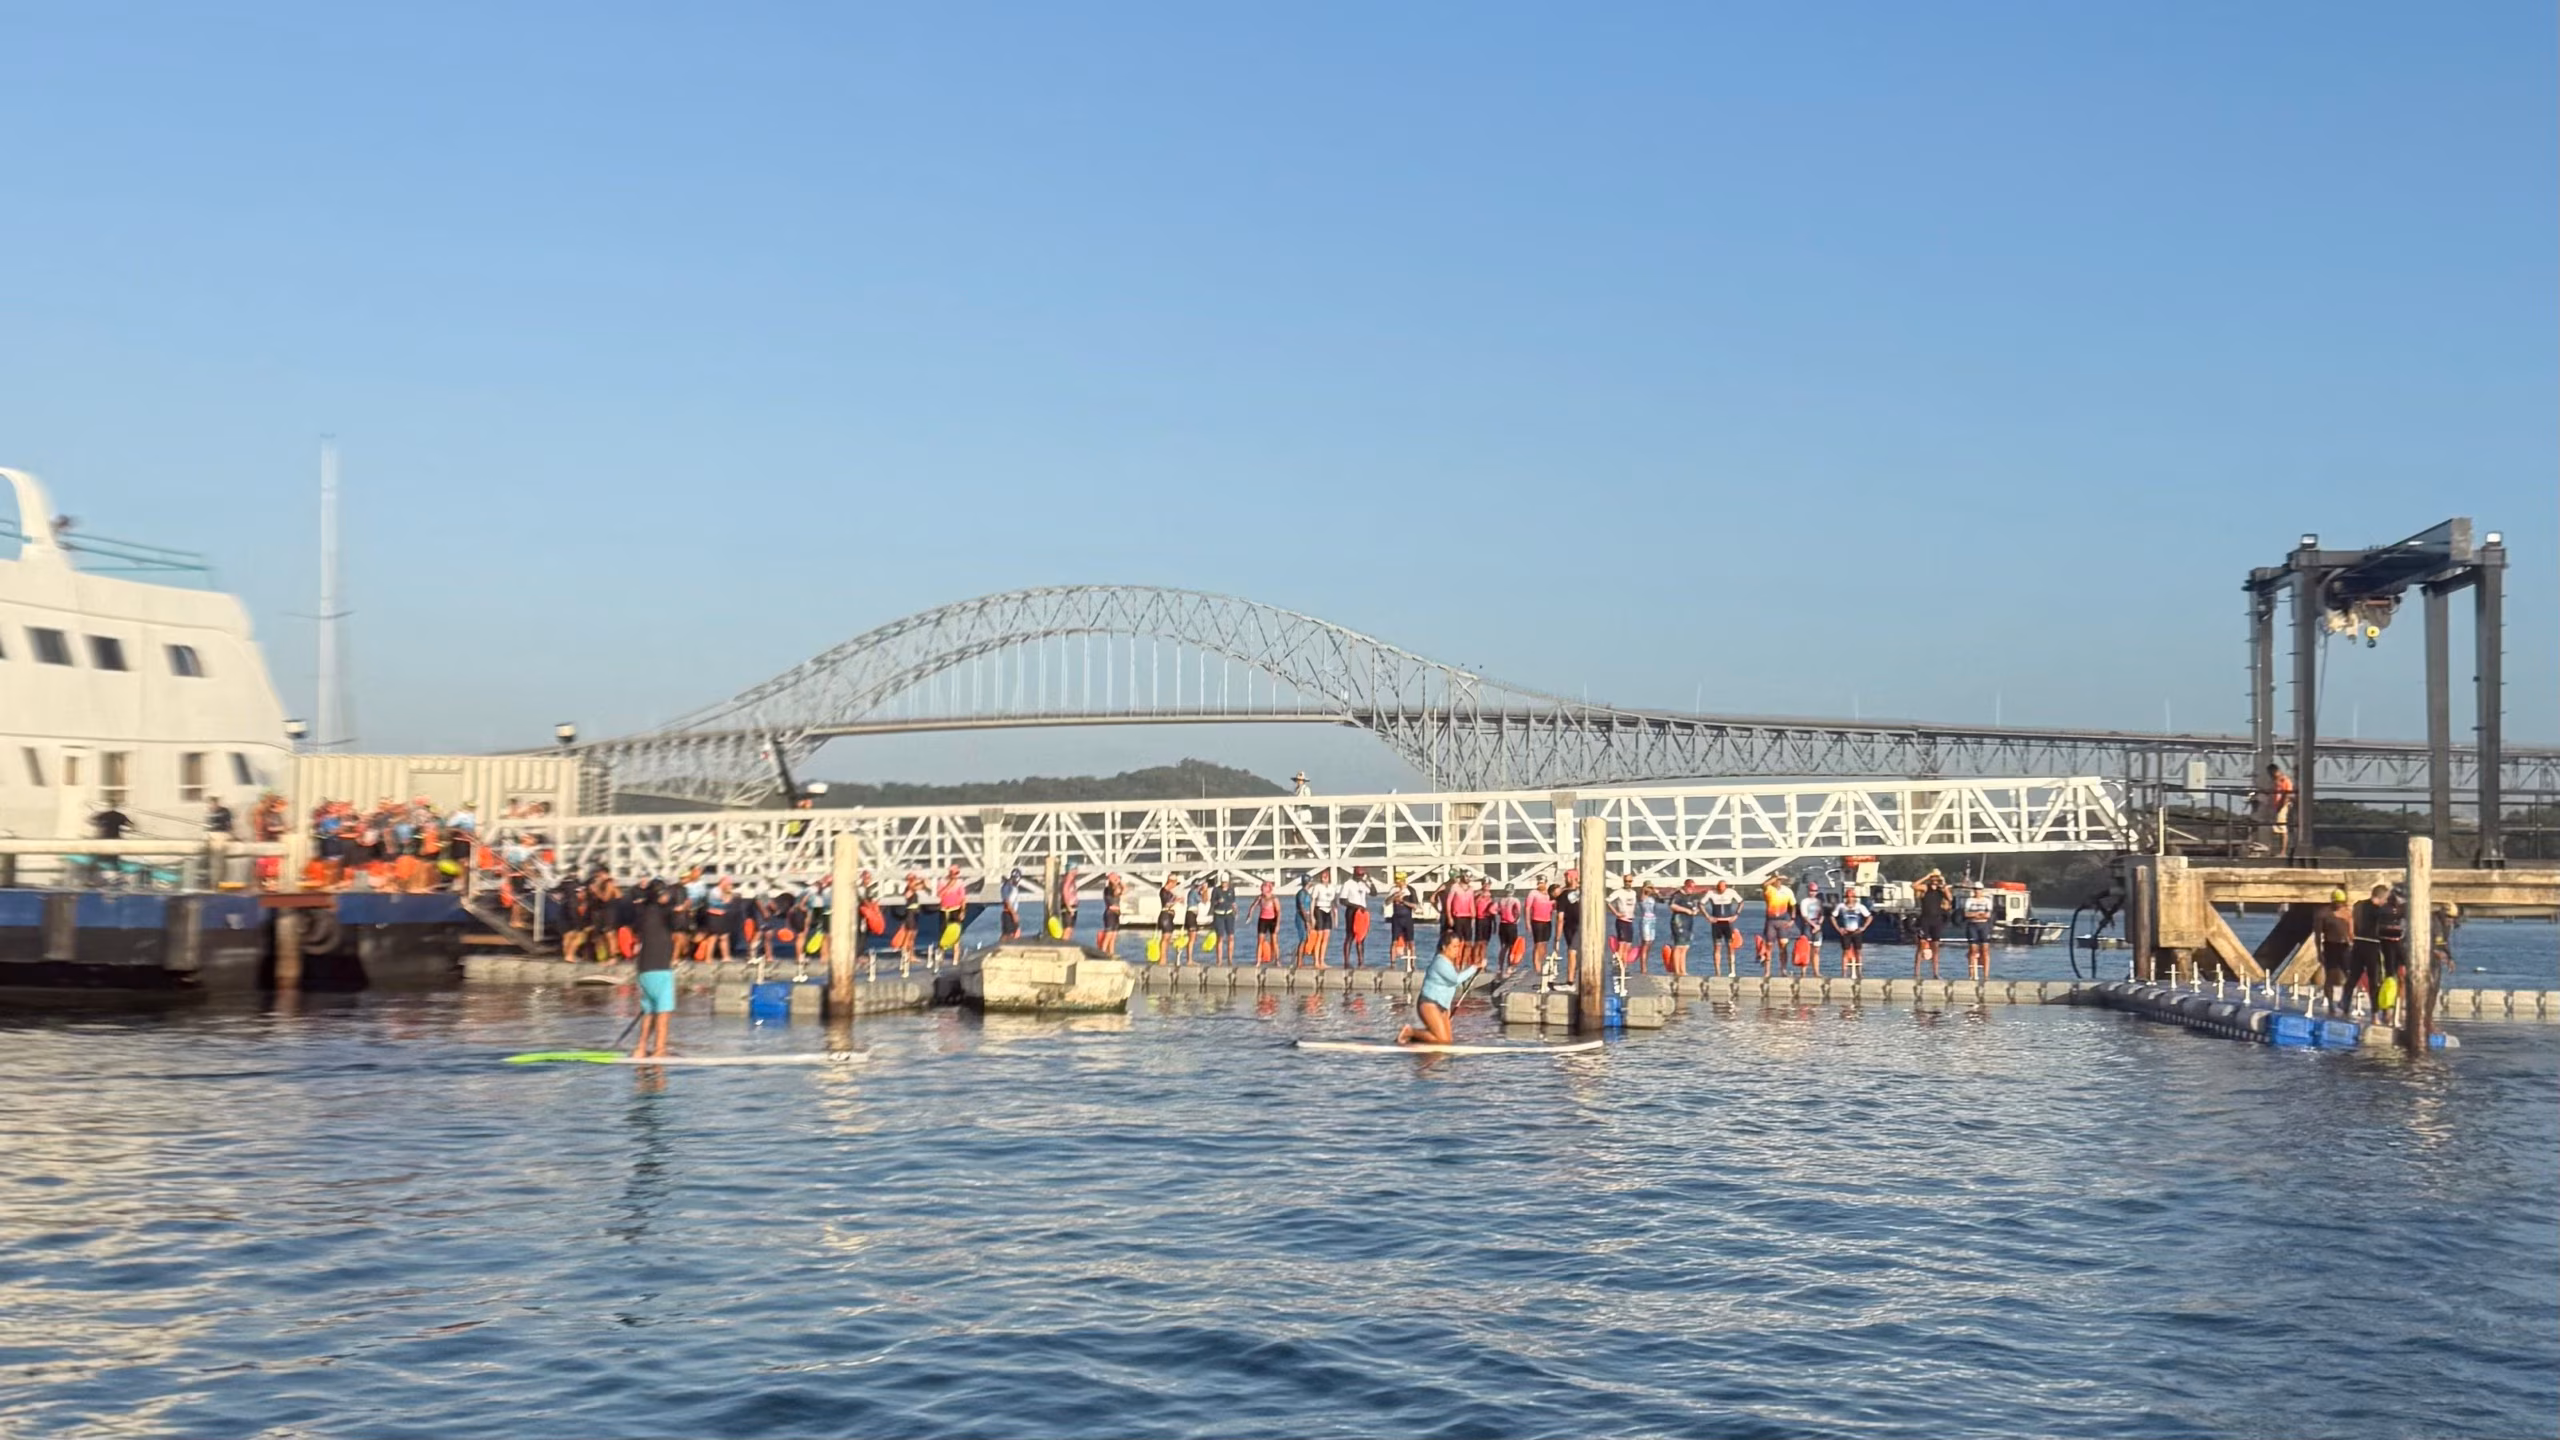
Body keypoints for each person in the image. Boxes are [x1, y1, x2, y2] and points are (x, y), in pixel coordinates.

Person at [1397, 940, 1483, 1047]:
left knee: (1447, 1042)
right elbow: (1455, 980)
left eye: (1458, 947)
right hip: (1429, 1003)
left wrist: (1446, 1010)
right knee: (1442, 1041)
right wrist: (1474, 967)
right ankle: (1410, 1032)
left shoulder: (1449, 964)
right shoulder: (1439, 962)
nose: (1457, 950)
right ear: (1444, 947)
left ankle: (1416, 1039)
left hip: (1442, 1007)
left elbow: (1449, 989)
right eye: (1454, 947)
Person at [631, 880, 679, 1059]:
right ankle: (659, 1050)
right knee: (663, 1013)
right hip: (660, 968)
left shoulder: (643, 912)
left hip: (644, 969)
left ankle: (640, 1048)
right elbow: (679, 925)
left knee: (649, 1012)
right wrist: (679, 908)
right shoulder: (664, 912)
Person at [2349, 883, 2398, 1014]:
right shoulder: (2379, 910)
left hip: (2358, 942)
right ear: (2382, 897)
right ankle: (2377, 1013)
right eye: (2386, 899)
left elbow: (2352, 922)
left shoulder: (2359, 905)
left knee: (2352, 978)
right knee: (2375, 980)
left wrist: (2351, 936)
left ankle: (2343, 1008)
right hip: (2373, 945)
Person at [2317, 889, 2356, 1012]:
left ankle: (2345, 1002)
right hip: (2330, 946)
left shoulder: (2348, 914)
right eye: (2336, 902)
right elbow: (2318, 935)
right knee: (2330, 976)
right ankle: (2330, 1005)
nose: (2338, 905)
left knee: (2349, 976)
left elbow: (2351, 933)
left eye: (2340, 902)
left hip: (2344, 947)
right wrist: (2319, 952)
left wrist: (2355, 947)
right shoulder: (2324, 914)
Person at [1913, 871, 1951, 979]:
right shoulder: (1926, 888)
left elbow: (1950, 898)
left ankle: (1935, 973)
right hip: (1925, 920)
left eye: (1936, 878)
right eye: (1933, 878)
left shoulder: (1941, 890)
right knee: (1921, 945)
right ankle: (1917, 973)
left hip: (1937, 920)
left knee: (1936, 947)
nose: (1935, 880)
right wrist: (1926, 876)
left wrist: (1943, 883)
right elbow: (1914, 885)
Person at [1758, 873, 1796, 976]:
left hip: (1783, 921)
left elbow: (1793, 905)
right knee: (1769, 946)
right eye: (1775, 880)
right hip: (1771, 921)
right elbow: (1763, 885)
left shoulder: (1787, 891)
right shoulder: (1769, 889)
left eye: (1779, 880)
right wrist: (1775, 877)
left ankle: (1783, 970)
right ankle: (1767, 971)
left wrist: (1792, 919)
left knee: (1783, 946)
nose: (1777, 881)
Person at [1704, 880, 1742, 976]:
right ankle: (1718, 972)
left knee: (1730, 946)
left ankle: (1732, 971)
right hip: (1717, 922)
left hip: (1728, 922)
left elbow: (1741, 902)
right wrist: (1708, 916)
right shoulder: (1711, 893)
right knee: (1717, 947)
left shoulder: (1731, 892)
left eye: (1723, 888)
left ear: (1725, 887)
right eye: (1719, 888)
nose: (1721, 890)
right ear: (1717, 887)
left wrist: (1736, 914)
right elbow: (1701, 904)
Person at [1960, 881, 1995, 979]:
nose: (1977, 891)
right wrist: (1978, 914)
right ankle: (1972, 974)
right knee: (1973, 950)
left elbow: (1987, 915)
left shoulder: (1987, 901)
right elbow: (1966, 914)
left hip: (1984, 925)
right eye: (1975, 889)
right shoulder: (1969, 901)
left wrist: (1975, 914)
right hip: (1972, 925)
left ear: (1982, 890)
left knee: (1985, 950)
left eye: (1979, 889)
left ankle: (1986, 975)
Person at [1336, 866, 1371, 966]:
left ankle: (1361, 962)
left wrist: (1369, 880)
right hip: (1352, 910)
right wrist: (1356, 906)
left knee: (1361, 937)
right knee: (1350, 936)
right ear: (1354, 874)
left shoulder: (1363, 884)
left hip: (1362, 912)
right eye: (1359, 875)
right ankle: (1346, 962)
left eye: (1362, 875)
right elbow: (1342, 900)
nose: (1360, 877)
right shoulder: (1348, 884)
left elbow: (1374, 893)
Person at [1834, 889, 1872, 978]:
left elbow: (1869, 917)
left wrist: (1863, 927)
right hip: (1846, 932)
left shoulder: (1859, 907)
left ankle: (1860, 972)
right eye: (1848, 897)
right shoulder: (1841, 906)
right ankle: (1844, 973)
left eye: (1851, 897)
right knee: (1845, 952)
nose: (1850, 899)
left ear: (1854, 898)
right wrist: (1838, 928)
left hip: (1856, 932)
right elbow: (1833, 917)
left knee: (1858, 951)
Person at [1665, 881, 1698, 977]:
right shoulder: (1677, 895)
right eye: (1691, 887)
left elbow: (1694, 906)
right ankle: (1677, 970)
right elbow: (1672, 905)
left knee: (1685, 947)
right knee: (1679, 946)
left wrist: (1695, 910)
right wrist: (1686, 910)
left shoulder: (1691, 897)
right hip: (1679, 922)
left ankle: (1683, 970)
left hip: (1688, 923)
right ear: (1686, 886)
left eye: (1693, 888)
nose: (1692, 890)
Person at [1307, 868, 1337, 968]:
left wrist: (1335, 916)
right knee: (1319, 936)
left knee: (1326, 937)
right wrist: (1312, 916)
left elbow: (1334, 903)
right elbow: (1313, 901)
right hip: (1319, 910)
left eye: (1326, 877)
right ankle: (1316, 961)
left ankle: (1322, 960)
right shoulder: (1318, 887)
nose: (1324, 878)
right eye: (1323, 877)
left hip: (1328, 911)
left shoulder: (1332, 888)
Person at [1388, 873, 1419, 967]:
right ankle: (1393, 963)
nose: (1398, 883)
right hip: (1396, 918)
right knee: (1394, 941)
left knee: (1411, 941)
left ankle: (1412, 963)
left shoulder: (1410, 890)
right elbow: (1387, 902)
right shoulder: (1393, 889)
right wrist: (1394, 896)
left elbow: (1415, 906)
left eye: (1399, 881)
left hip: (1407, 918)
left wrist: (1403, 901)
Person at [2265, 763, 2296, 858]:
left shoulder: (2285, 780)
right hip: (2275, 807)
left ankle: (2283, 852)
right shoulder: (2276, 781)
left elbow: (2288, 794)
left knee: (2282, 829)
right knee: (2274, 829)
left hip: (2282, 807)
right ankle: (2274, 850)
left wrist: (2281, 806)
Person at [1797, 881, 1826, 975]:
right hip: (1808, 925)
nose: (1813, 892)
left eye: (1815, 890)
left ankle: (1816, 971)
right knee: (1806, 949)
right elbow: (1804, 916)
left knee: (1816, 950)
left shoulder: (1819, 902)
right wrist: (1813, 925)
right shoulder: (1804, 901)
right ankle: (1803, 972)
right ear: (1808, 891)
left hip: (1817, 926)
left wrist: (1819, 925)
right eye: (1811, 890)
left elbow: (1822, 914)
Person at [1525, 878, 1554, 969]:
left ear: (1546, 883)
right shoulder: (1533, 893)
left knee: (1545, 943)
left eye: (1542, 883)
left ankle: (1543, 962)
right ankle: (1537, 965)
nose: (1540, 885)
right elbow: (1527, 908)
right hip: (1537, 921)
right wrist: (1527, 922)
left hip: (1547, 921)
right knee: (1538, 943)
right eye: (1539, 883)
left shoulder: (1549, 894)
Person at [1254, 880, 1282, 964]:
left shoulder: (1274, 898)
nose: (1261, 889)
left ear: (1268, 889)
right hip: (1262, 920)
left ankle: (1277, 960)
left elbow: (1279, 912)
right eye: (1261, 888)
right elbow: (1253, 905)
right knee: (1260, 941)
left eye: (1263, 888)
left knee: (1274, 941)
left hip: (1272, 920)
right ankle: (1258, 960)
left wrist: (1278, 924)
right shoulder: (1260, 898)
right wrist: (1249, 914)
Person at [1098, 872, 1125, 957]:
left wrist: (1120, 882)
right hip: (1110, 913)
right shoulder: (1108, 890)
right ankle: (1103, 953)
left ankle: (1111, 953)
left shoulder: (1117, 887)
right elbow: (1116, 892)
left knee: (1114, 936)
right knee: (1108, 935)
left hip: (1116, 913)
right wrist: (1114, 881)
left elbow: (1123, 890)